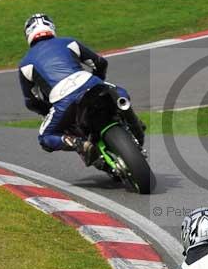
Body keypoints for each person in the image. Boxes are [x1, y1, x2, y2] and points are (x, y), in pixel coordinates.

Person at [18, 13, 142, 165]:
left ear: (28, 35)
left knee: (45, 137)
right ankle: (133, 121)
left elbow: (31, 101)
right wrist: (97, 82)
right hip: (91, 83)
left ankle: (78, 143)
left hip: (63, 100)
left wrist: (47, 110)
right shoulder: (69, 42)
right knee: (121, 93)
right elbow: (99, 62)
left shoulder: (25, 64)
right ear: (51, 28)